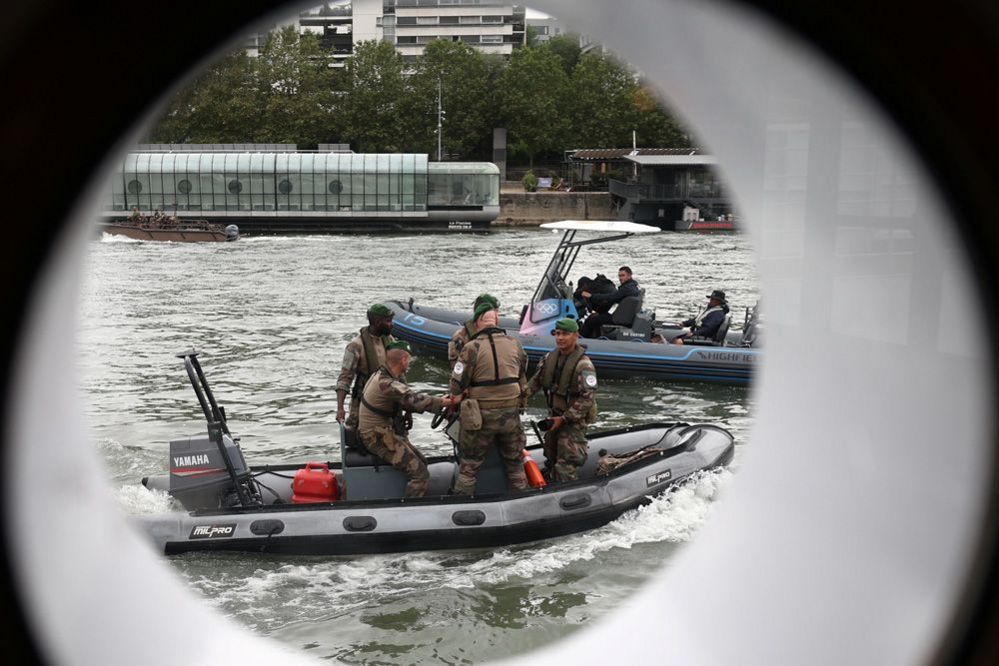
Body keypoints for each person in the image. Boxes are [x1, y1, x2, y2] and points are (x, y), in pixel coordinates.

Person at [358, 340, 461, 498]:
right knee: (420, 474)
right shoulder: (387, 384)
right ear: (404, 360)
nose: (409, 364)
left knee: (422, 462)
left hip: (380, 432)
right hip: (376, 436)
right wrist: (446, 402)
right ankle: (411, 508)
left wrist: (412, 411)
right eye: (409, 360)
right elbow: (412, 399)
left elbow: (404, 400)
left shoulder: (380, 374)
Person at [449, 301, 529, 495]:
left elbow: (456, 383)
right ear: (497, 320)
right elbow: (522, 374)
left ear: (477, 322)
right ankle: (523, 499)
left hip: (481, 416)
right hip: (510, 415)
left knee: (469, 467)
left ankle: (463, 506)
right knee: (515, 465)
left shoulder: (471, 347)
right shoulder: (514, 344)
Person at [521, 317, 597, 483]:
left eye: (565, 334)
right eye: (558, 334)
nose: (560, 338)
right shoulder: (549, 358)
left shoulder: (584, 365)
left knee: (567, 463)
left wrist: (564, 419)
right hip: (554, 418)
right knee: (551, 457)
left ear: (576, 335)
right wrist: (519, 399)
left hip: (572, 422)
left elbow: (587, 398)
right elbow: (536, 382)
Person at [336, 303, 397, 428]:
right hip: (363, 401)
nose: (392, 324)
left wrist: (407, 410)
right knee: (357, 435)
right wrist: (340, 408)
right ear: (377, 321)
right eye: (388, 321)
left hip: (387, 400)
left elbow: (399, 375)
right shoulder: (355, 346)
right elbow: (345, 378)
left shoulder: (390, 340)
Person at [578, 266, 641, 338]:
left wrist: (591, 296)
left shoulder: (626, 289)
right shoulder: (634, 286)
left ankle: (581, 339)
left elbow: (610, 297)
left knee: (590, 320)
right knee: (598, 317)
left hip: (620, 318)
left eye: (623, 275)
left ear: (629, 276)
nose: (620, 278)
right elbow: (616, 300)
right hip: (625, 315)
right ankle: (595, 337)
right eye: (619, 276)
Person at [447, 293, 499, 369]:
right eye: (496, 312)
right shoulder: (461, 337)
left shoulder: (498, 334)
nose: (497, 316)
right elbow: (458, 369)